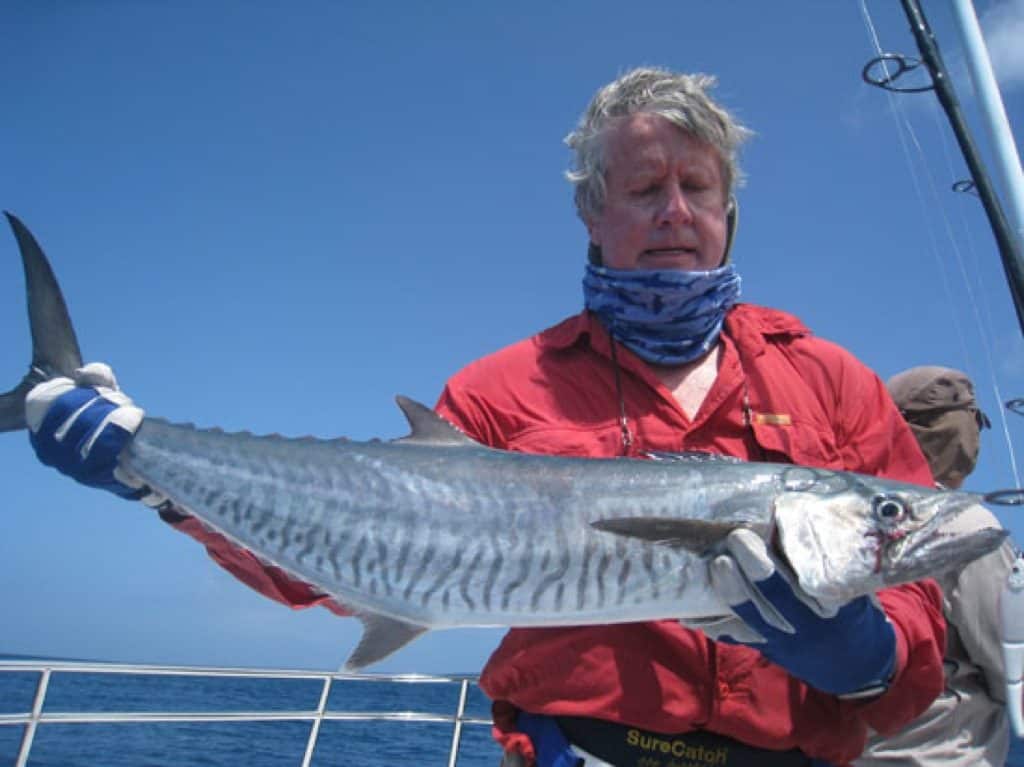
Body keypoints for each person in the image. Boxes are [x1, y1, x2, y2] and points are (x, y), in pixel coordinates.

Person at [25, 68, 948, 766]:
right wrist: (156, 481)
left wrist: (867, 655)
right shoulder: (505, 389)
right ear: (591, 211)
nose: (675, 211)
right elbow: (338, 568)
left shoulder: (833, 382)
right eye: (642, 188)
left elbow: (922, 621)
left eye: (699, 187)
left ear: (729, 210)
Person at [853, 366, 1016, 766]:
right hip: (946, 754)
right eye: (974, 422)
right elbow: (1010, 664)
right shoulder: (967, 526)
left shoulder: (844, 515)